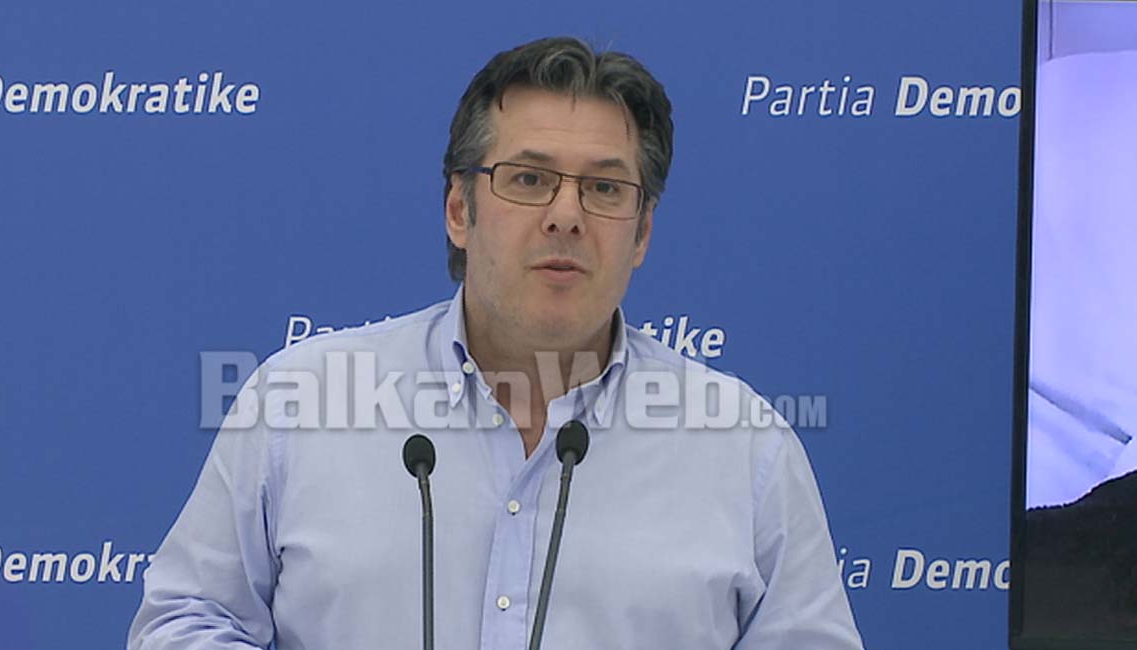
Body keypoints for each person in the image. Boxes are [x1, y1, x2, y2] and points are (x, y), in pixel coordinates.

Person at [129, 36, 863, 649]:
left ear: (641, 233)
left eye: (605, 189)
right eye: (530, 179)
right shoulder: (303, 401)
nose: (566, 215)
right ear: (459, 209)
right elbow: (186, 620)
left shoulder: (743, 448)